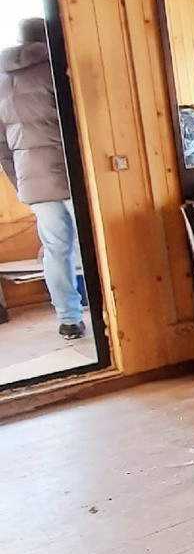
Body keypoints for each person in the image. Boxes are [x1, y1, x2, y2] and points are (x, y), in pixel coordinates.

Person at [0, 17, 86, 340]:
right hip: (69, 174)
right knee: (92, 245)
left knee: (55, 249)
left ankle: (69, 319)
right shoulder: (55, 71)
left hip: (33, 181)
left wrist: (20, 180)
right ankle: (107, 310)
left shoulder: (2, 81)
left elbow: (2, 147)